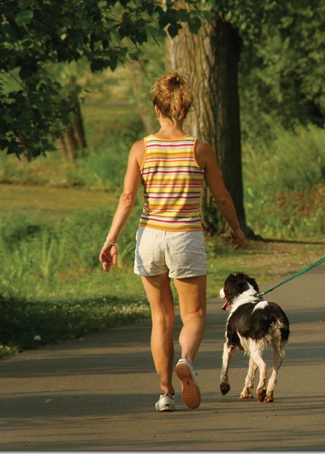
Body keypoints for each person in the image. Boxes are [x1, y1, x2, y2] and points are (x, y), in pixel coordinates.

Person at [99, 72, 245, 412]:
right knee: (193, 314)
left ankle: (165, 393)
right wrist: (235, 228)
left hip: (149, 236)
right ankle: (187, 361)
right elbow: (222, 197)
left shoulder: (141, 149)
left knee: (161, 317)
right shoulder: (200, 149)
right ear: (186, 109)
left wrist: (111, 239)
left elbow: (126, 198)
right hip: (185, 238)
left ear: (156, 107)